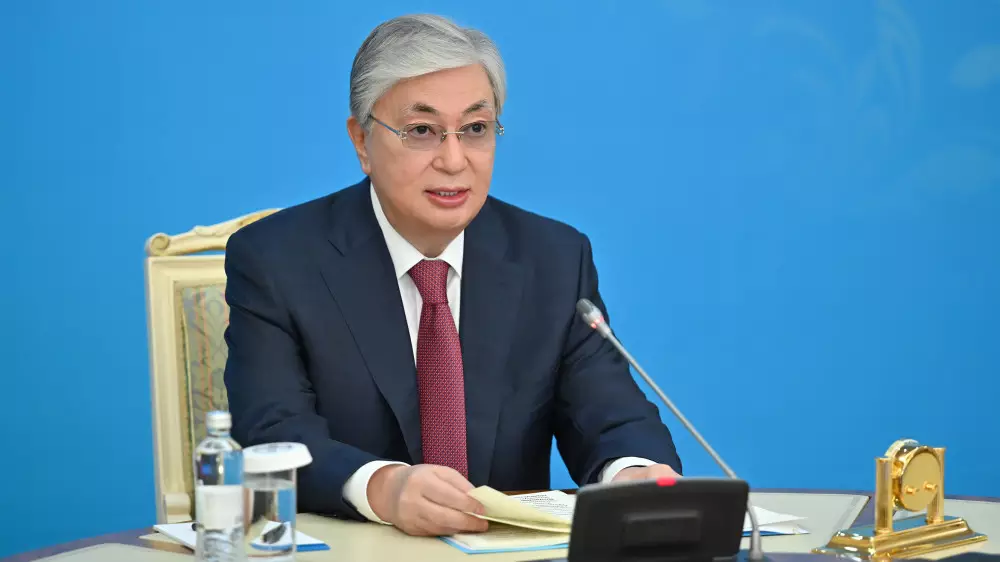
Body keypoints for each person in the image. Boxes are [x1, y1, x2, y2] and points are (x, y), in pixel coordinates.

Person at [223, 13, 682, 538]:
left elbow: (611, 416)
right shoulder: (277, 259)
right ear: (362, 142)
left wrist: (632, 473)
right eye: (422, 131)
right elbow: (274, 433)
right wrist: (383, 487)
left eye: (475, 129)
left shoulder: (552, 259)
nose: (454, 159)